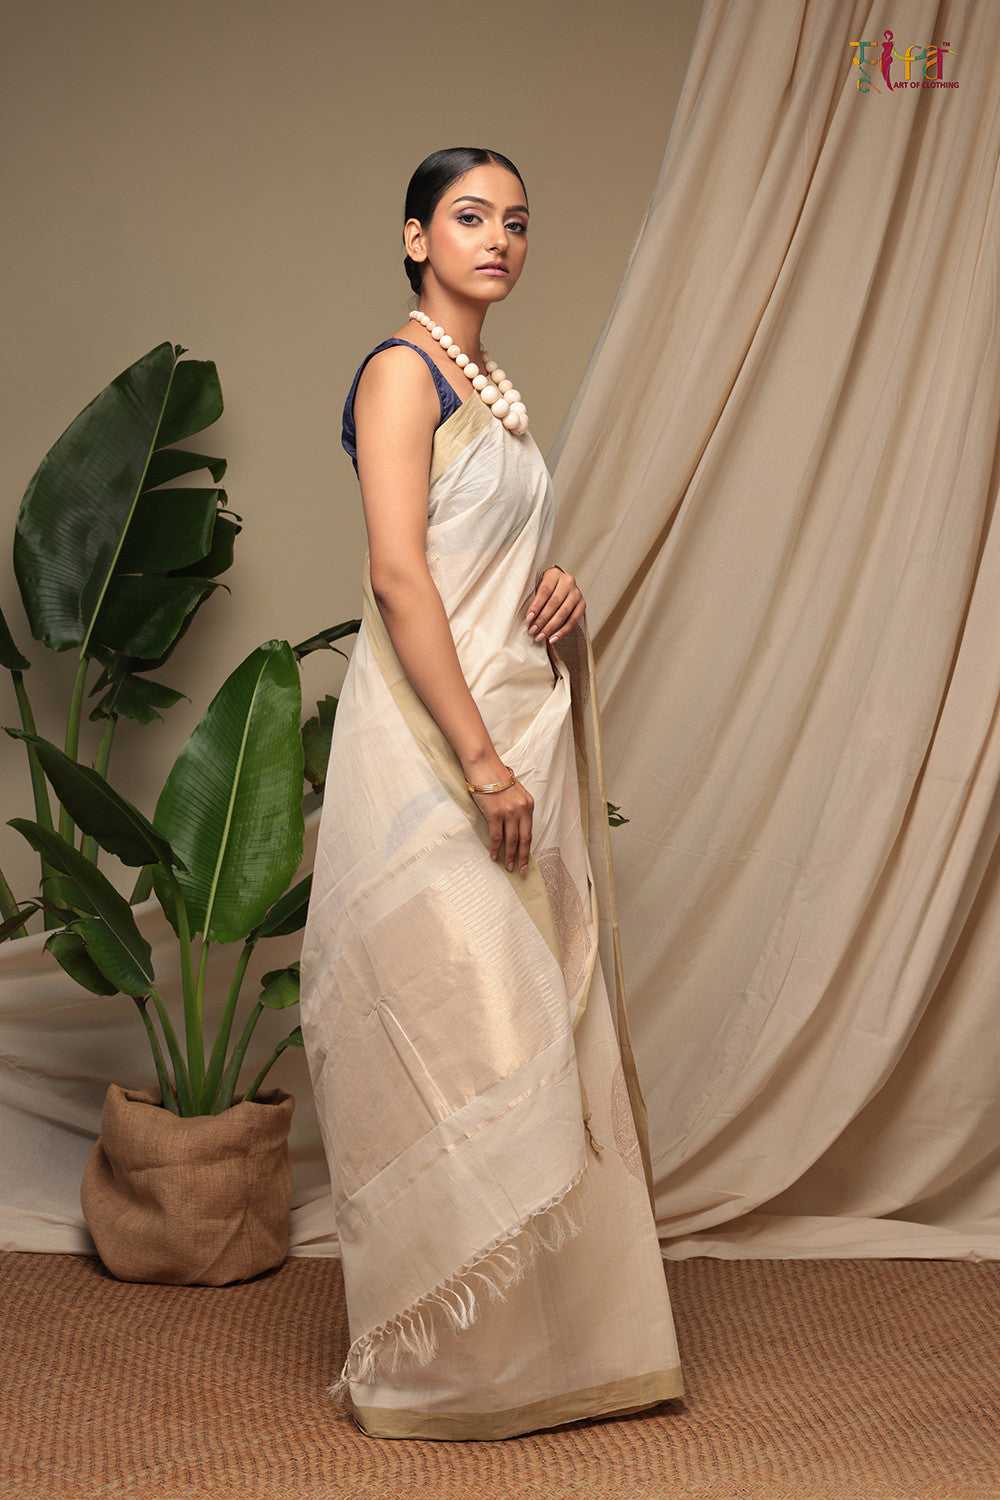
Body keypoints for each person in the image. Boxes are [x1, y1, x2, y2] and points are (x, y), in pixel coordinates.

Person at [300, 147, 682, 1441]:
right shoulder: (400, 373)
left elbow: (489, 563)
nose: (499, 238)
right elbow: (401, 574)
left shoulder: (496, 397)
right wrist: (474, 758)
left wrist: (554, 589)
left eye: (516, 221)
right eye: (470, 216)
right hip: (434, 743)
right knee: (454, 1019)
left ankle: (538, 1357)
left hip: (516, 717)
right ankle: (438, 1369)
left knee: (525, 1030)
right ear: (416, 237)